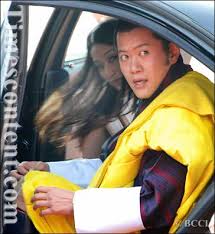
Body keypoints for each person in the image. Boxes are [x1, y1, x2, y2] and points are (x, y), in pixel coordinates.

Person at [10, 20, 214, 234]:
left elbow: (158, 205)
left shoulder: (179, 116)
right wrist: (51, 168)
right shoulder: (177, 90)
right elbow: (113, 164)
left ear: (172, 53)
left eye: (143, 53)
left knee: (28, 190)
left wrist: (77, 204)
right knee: (33, 183)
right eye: (124, 57)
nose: (132, 68)